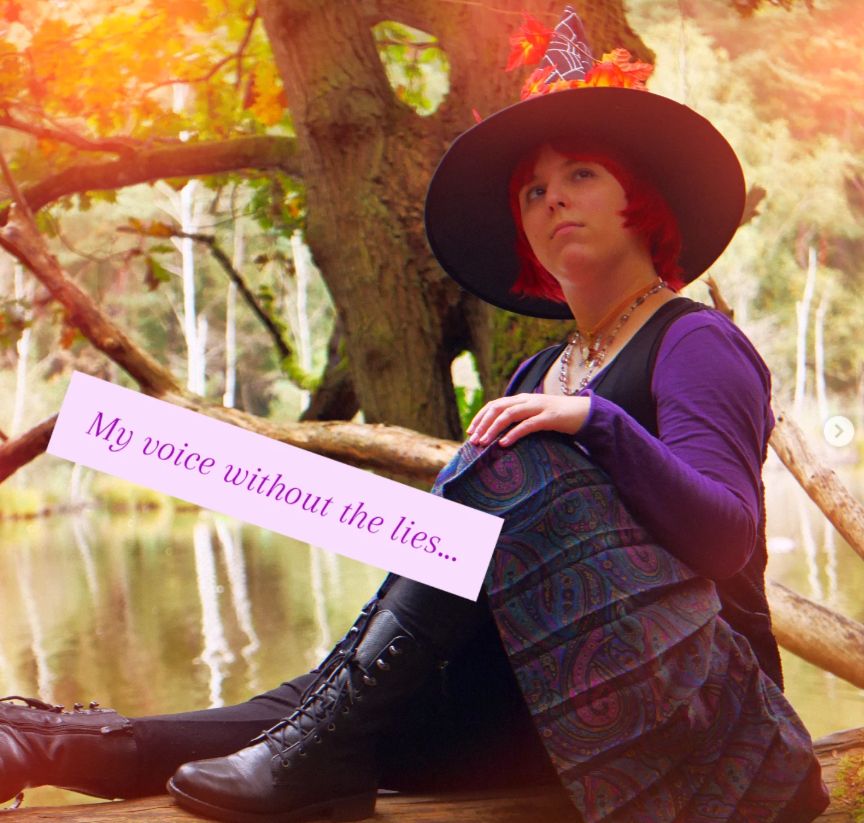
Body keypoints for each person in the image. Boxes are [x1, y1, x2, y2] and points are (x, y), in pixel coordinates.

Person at [0, 7, 830, 823]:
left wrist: (593, 422)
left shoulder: (695, 342)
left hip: (693, 709)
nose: (551, 200)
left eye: (580, 175)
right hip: (542, 701)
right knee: (332, 694)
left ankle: (314, 736)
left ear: (638, 199)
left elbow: (728, 538)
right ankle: (48, 742)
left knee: (510, 463)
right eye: (533, 190)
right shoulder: (544, 368)